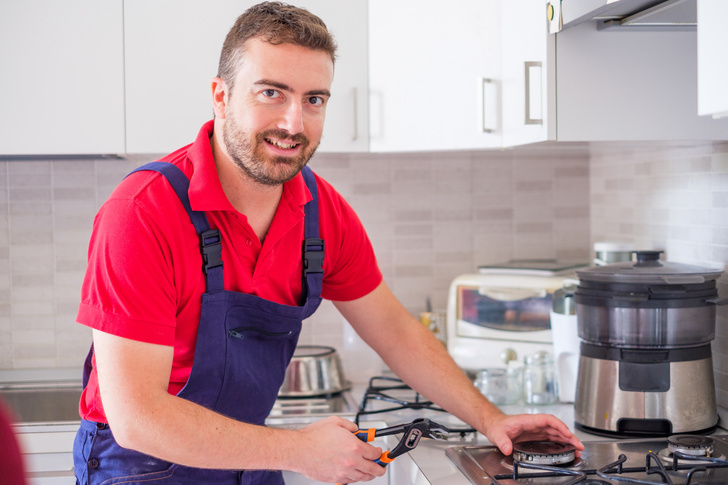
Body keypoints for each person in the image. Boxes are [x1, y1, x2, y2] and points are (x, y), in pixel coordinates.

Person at [72, 2, 583, 484]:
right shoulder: (142, 213)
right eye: (271, 92)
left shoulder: (320, 212)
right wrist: (297, 450)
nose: (294, 124)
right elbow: (137, 418)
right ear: (221, 95)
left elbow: (394, 331)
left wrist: (491, 419)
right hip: (140, 468)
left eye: (313, 100)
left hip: (248, 462)